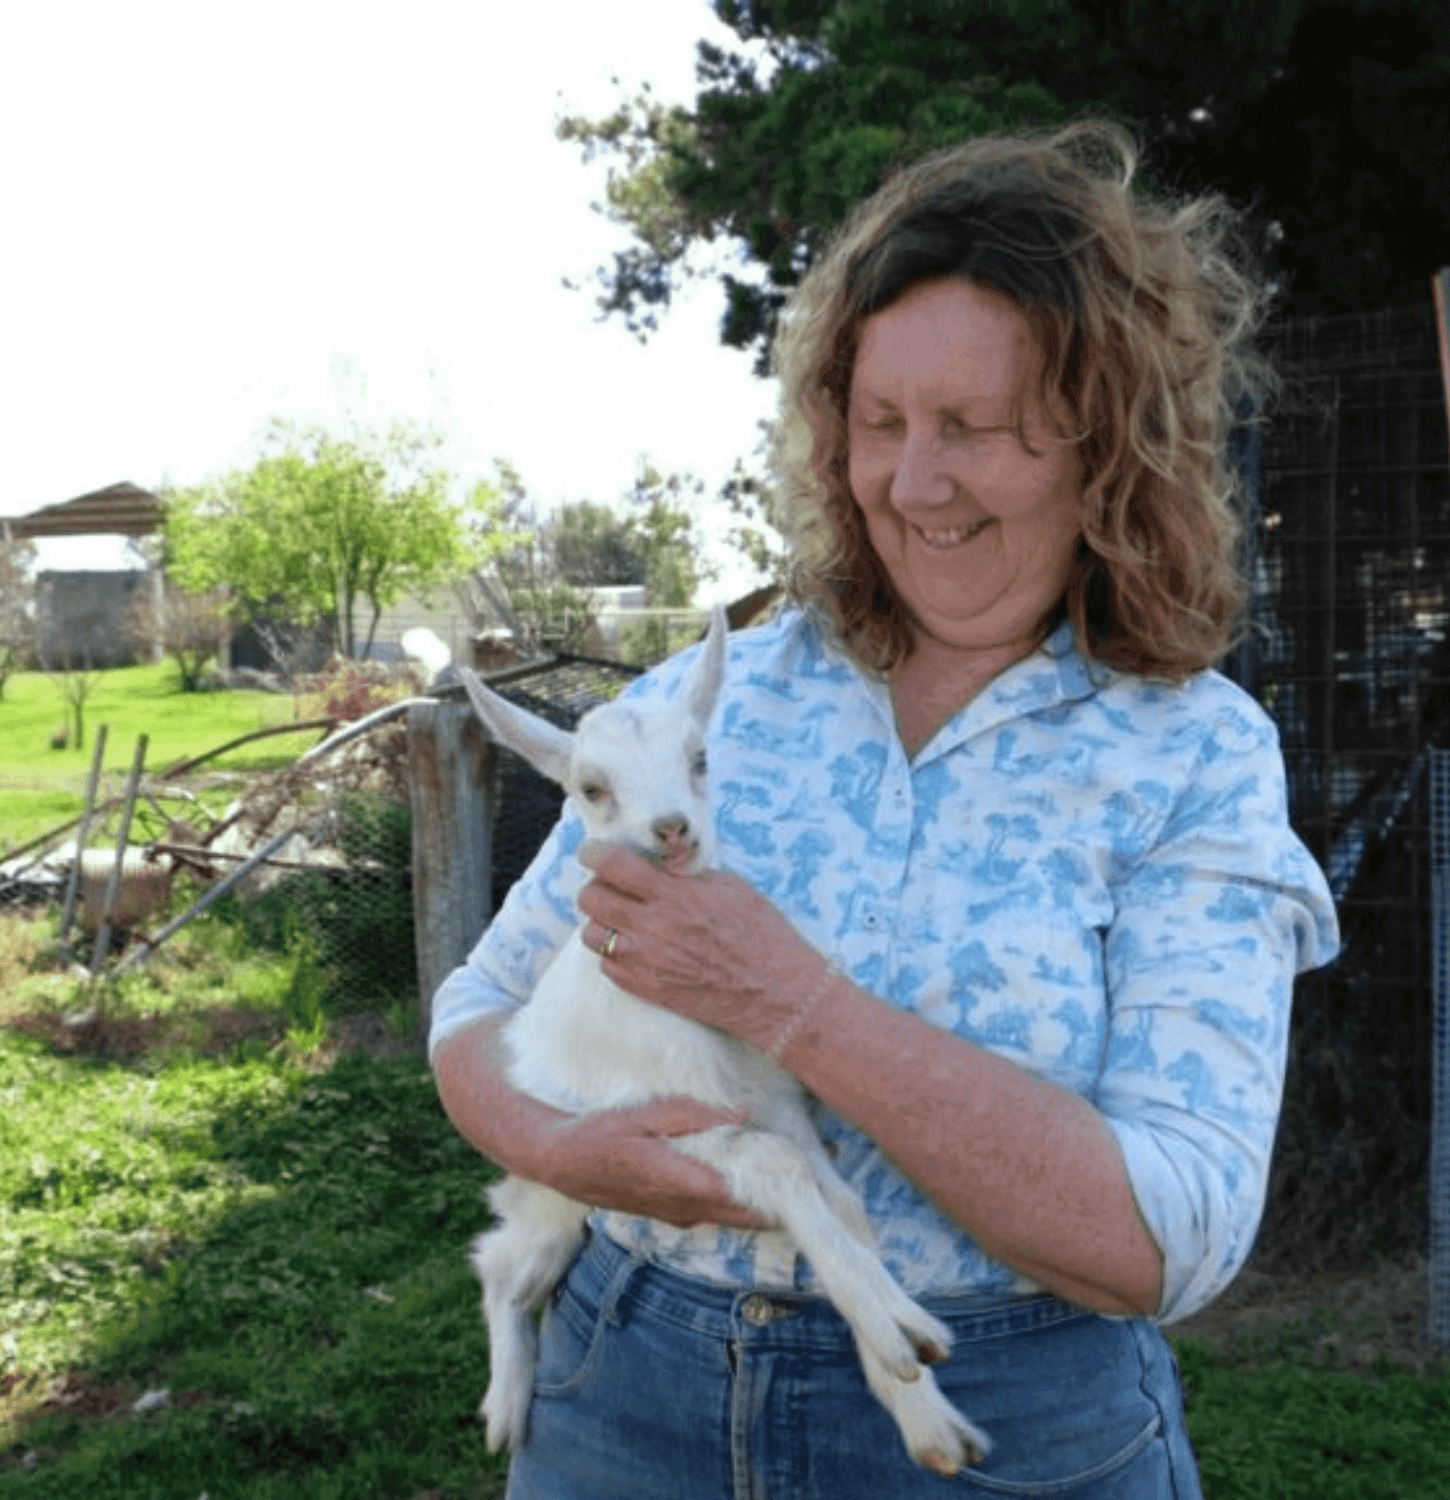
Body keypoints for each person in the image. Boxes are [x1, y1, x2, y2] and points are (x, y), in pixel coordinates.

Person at [429, 121, 1339, 1498]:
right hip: (627, 1394)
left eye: (972, 428)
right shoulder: (712, 699)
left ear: (1106, 443)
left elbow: (1174, 1236)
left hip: (1006, 1426)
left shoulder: (1192, 757)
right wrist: (564, 1147)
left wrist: (795, 1006)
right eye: (879, 423)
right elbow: (475, 1015)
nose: (915, 484)